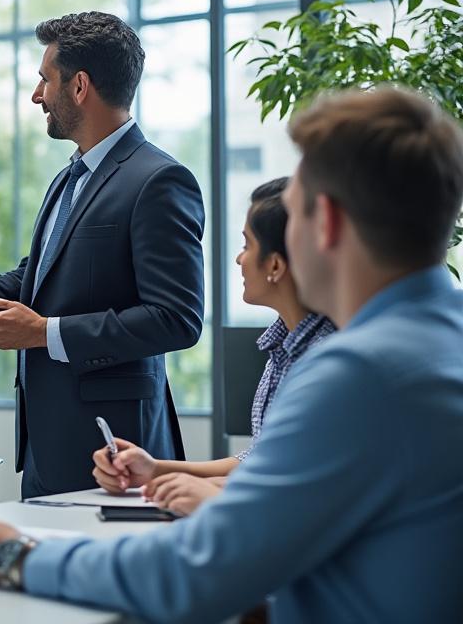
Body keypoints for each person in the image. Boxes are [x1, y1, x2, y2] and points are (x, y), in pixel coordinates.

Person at [0, 86, 463, 622]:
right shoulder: (442, 339)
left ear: (325, 222)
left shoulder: (360, 374)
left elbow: (196, 573)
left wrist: (13, 556)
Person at [0, 11, 205, 498]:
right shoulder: (68, 178)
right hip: (46, 444)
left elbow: (177, 318)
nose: (36, 96)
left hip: (116, 446)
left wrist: (45, 333)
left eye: (44, 80)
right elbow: (36, 281)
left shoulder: (159, 180)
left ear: (79, 87)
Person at [93, 177, 336, 516]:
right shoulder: (283, 349)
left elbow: (302, 486)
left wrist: (210, 494)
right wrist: (155, 470)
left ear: (276, 265)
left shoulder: (329, 362)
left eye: (247, 246)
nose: (239, 259)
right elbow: (258, 463)